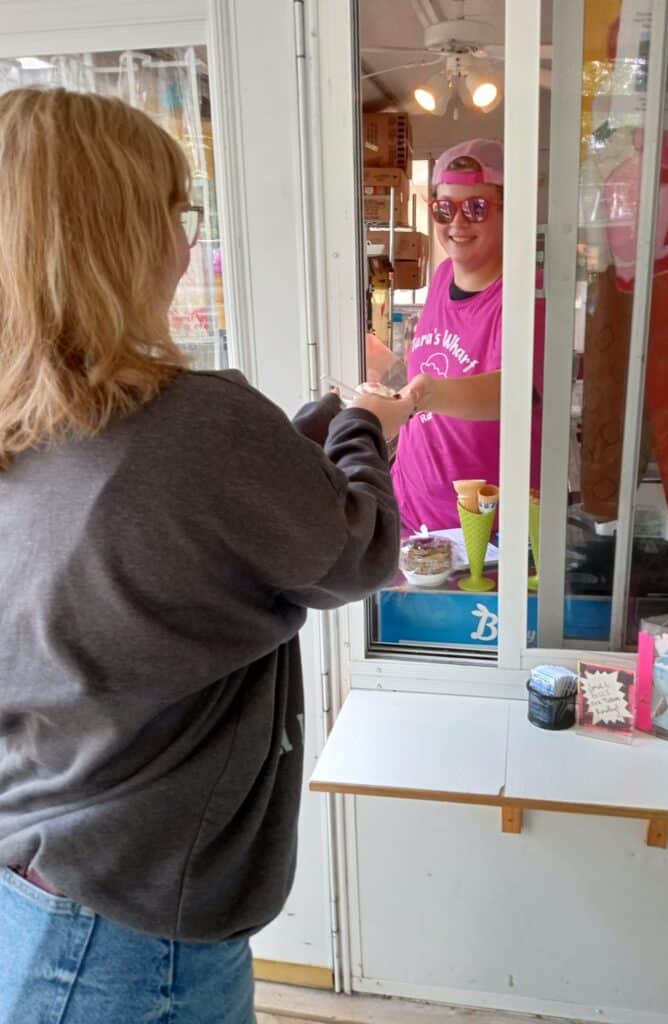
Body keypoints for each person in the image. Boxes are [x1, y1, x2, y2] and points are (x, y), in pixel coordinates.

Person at [0, 88, 412, 1024]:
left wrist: (309, 429)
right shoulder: (196, 426)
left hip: (38, 878)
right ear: (123, 235)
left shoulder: (32, 422)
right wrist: (364, 429)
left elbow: (188, 517)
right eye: (176, 212)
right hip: (129, 933)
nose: (188, 244)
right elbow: (355, 554)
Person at [393, 138, 544, 534]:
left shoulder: (527, 293)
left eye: (476, 208)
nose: (456, 224)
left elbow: (512, 391)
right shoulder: (442, 278)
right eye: (444, 209)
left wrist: (421, 395)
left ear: (509, 212)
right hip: (411, 509)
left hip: (483, 533)